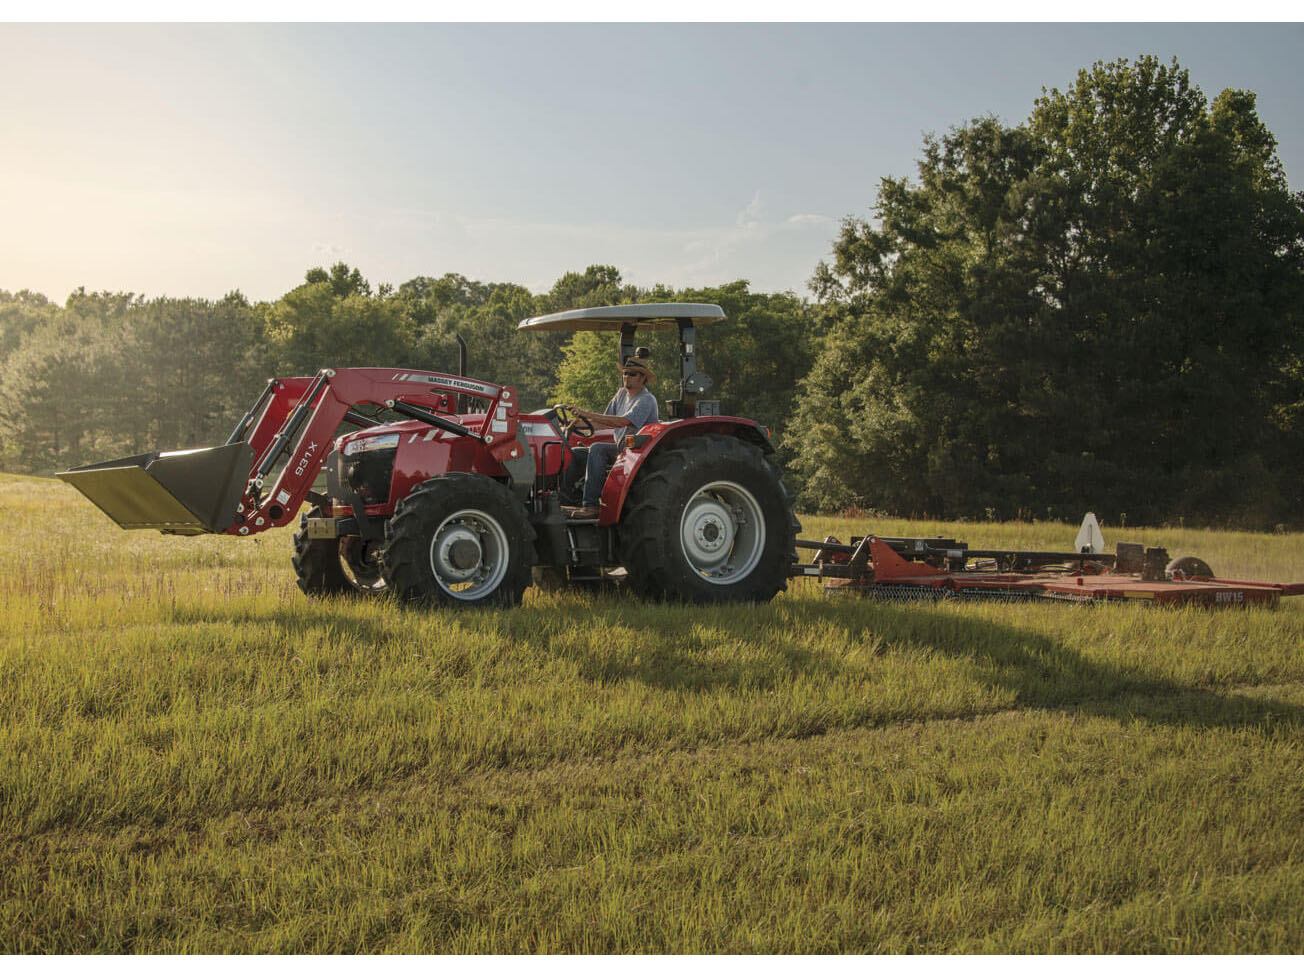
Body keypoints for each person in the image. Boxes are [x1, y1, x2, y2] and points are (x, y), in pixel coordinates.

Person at [561, 356, 658, 518]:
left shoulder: (646, 400)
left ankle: (591, 506)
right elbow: (604, 422)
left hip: (636, 451)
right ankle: (568, 500)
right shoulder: (620, 395)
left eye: (632, 374)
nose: (626, 377)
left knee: (597, 449)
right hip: (621, 449)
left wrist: (585, 413)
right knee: (575, 453)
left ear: (643, 378)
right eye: (625, 373)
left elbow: (622, 421)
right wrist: (574, 424)